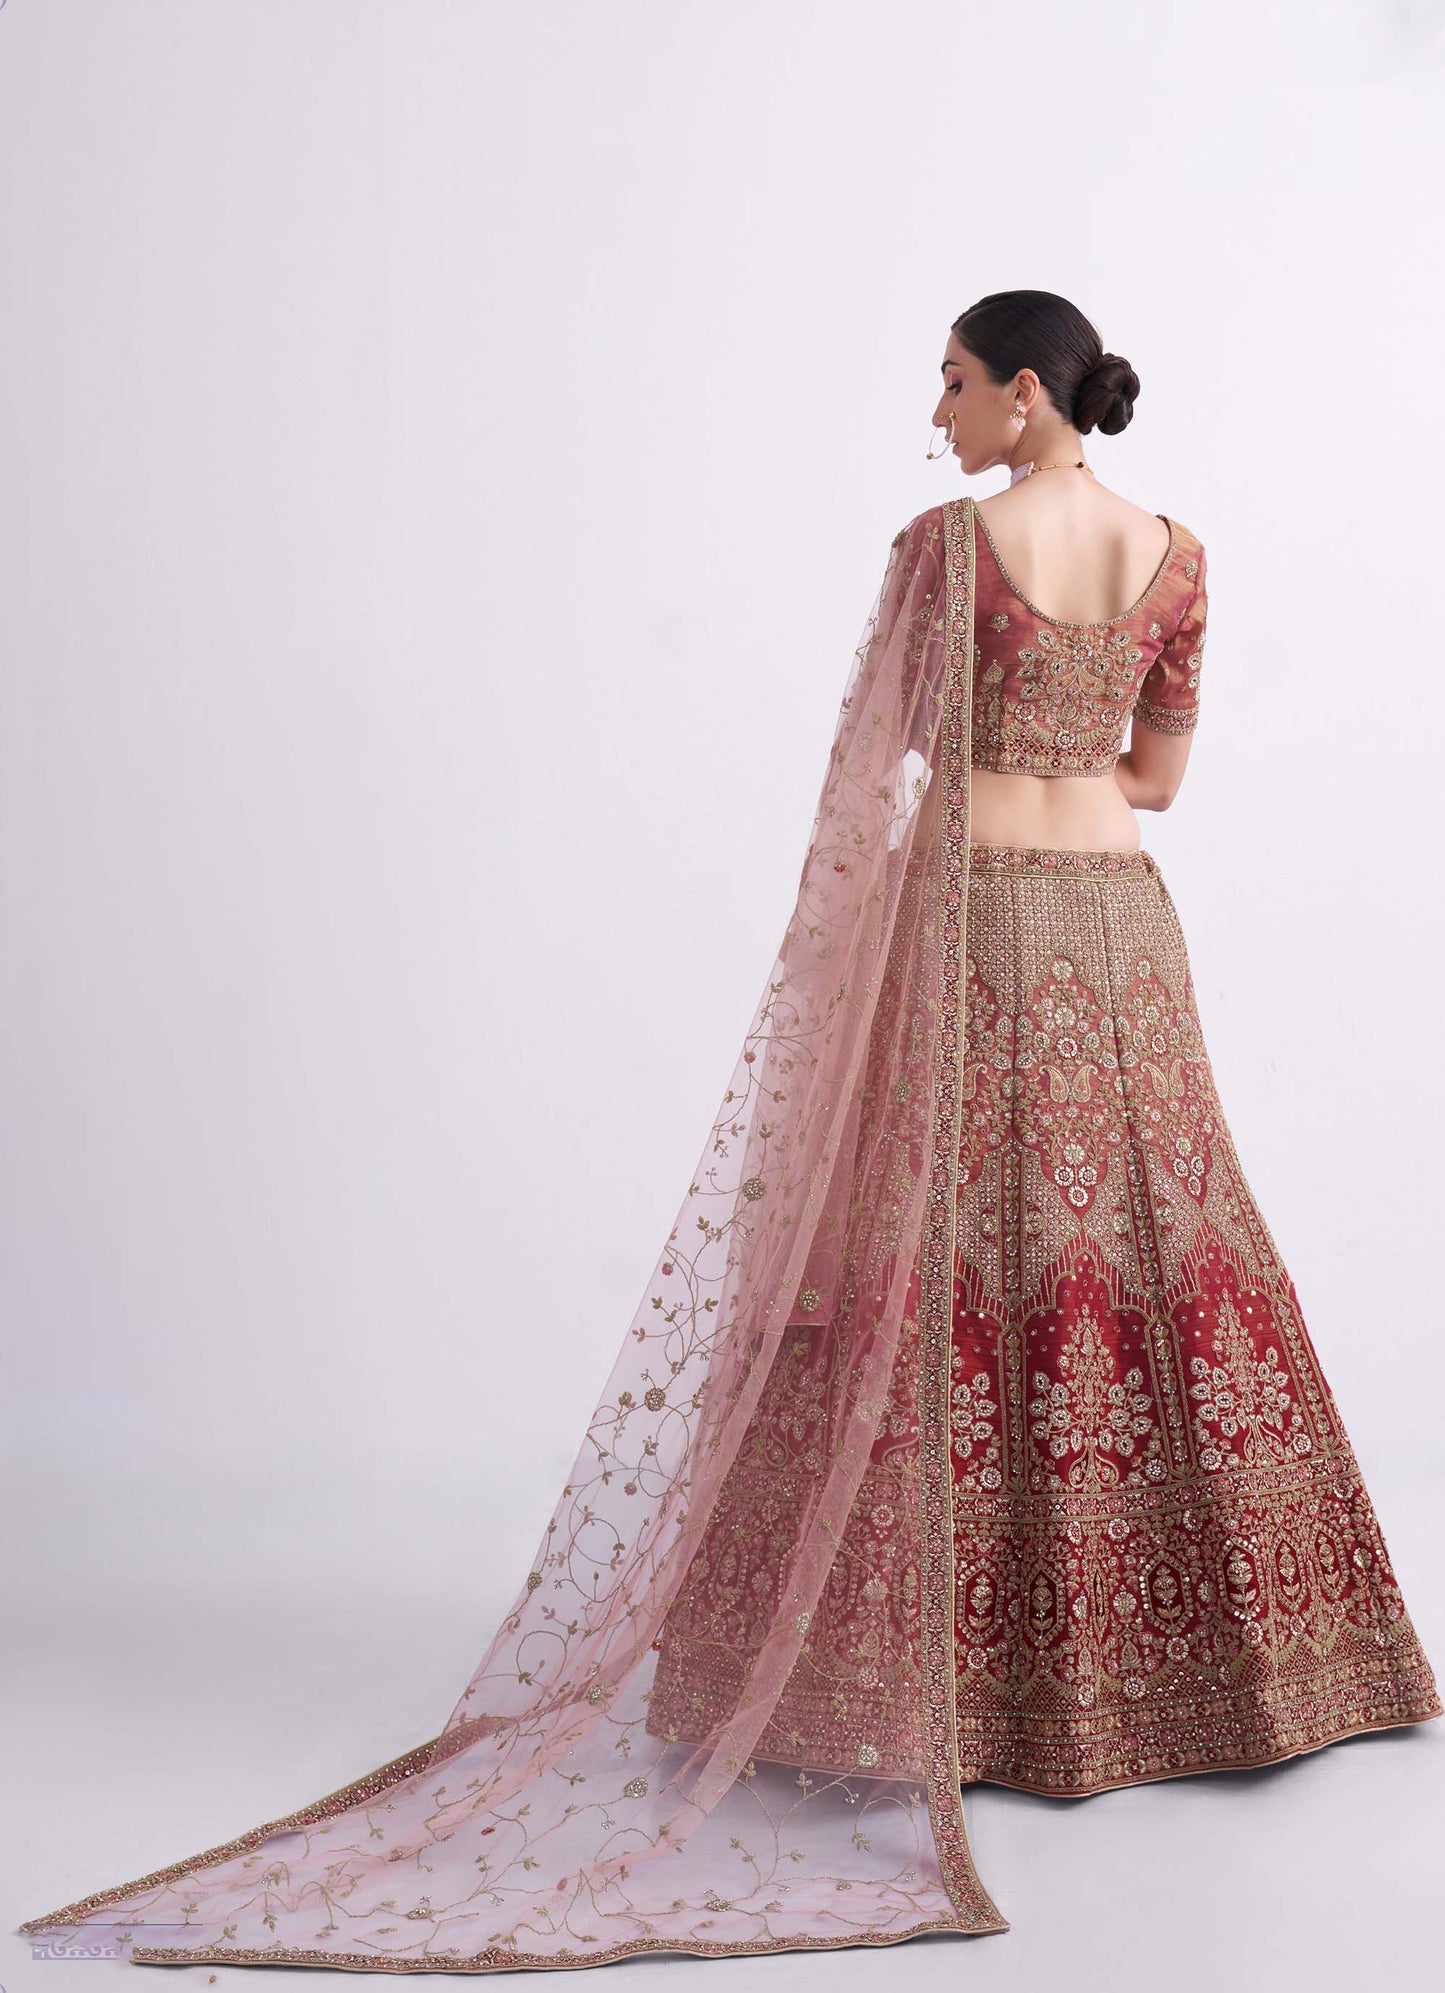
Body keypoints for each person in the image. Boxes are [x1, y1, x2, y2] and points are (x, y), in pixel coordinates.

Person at [19, 291, 1440, 1972]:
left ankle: (913, 1675)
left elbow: (888, 750)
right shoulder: (1181, 557)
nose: (935, 411)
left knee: (926, 1248)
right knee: (1124, 1248)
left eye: (954, 382)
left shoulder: (942, 550)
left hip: (966, 923)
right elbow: (1156, 782)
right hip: (1120, 934)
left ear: (1026, 392)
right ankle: (1184, 1667)